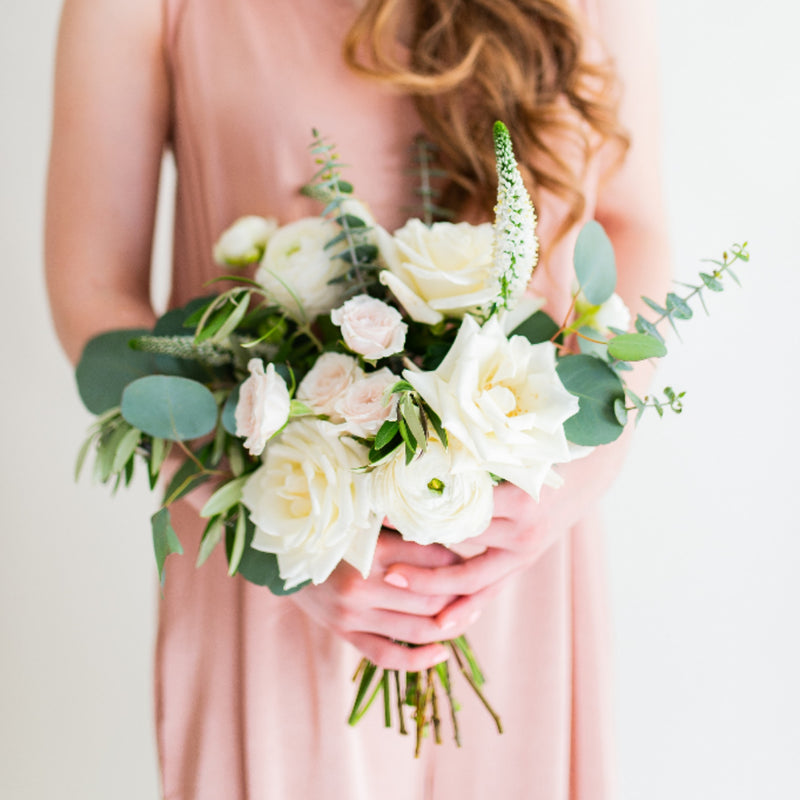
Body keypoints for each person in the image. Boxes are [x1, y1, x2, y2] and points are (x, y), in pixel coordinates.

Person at [45, 0, 670, 797]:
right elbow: (94, 291)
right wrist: (273, 534)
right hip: (268, 553)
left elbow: (632, 220)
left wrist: (588, 463)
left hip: (515, 558)